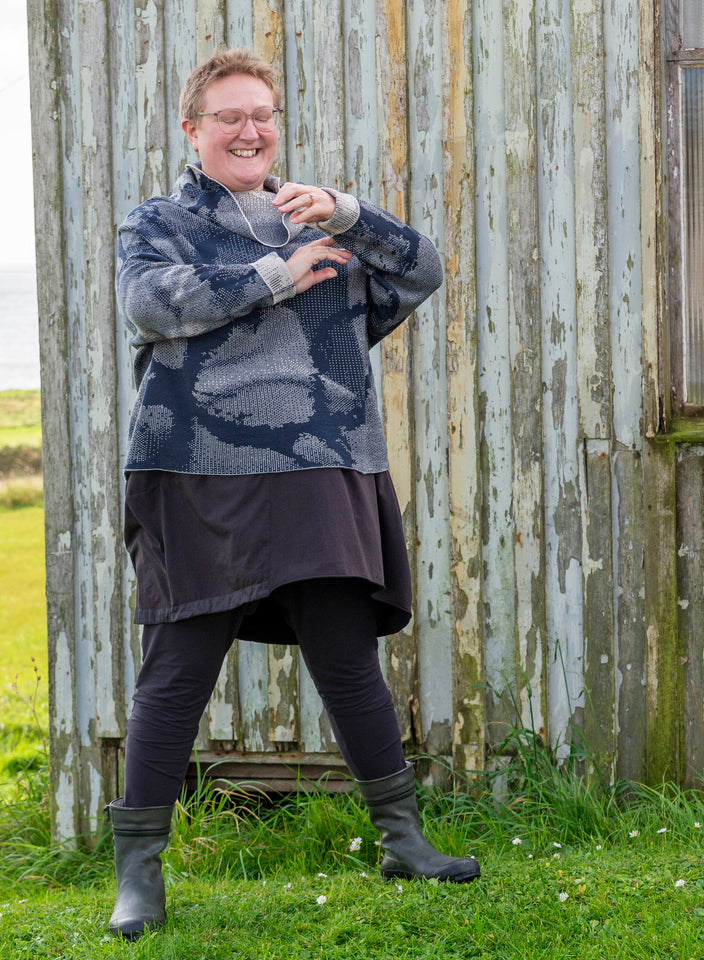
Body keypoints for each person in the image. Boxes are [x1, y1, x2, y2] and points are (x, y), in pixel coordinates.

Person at [107, 48, 479, 940]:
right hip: (199, 471)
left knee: (347, 658)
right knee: (179, 669)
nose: (250, 130)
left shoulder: (321, 220)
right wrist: (274, 276)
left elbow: (422, 272)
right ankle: (139, 879)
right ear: (192, 130)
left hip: (324, 464)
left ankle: (404, 840)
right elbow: (153, 306)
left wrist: (349, 214)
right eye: (229, 116)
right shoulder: (158, 220)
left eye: (263, 114)